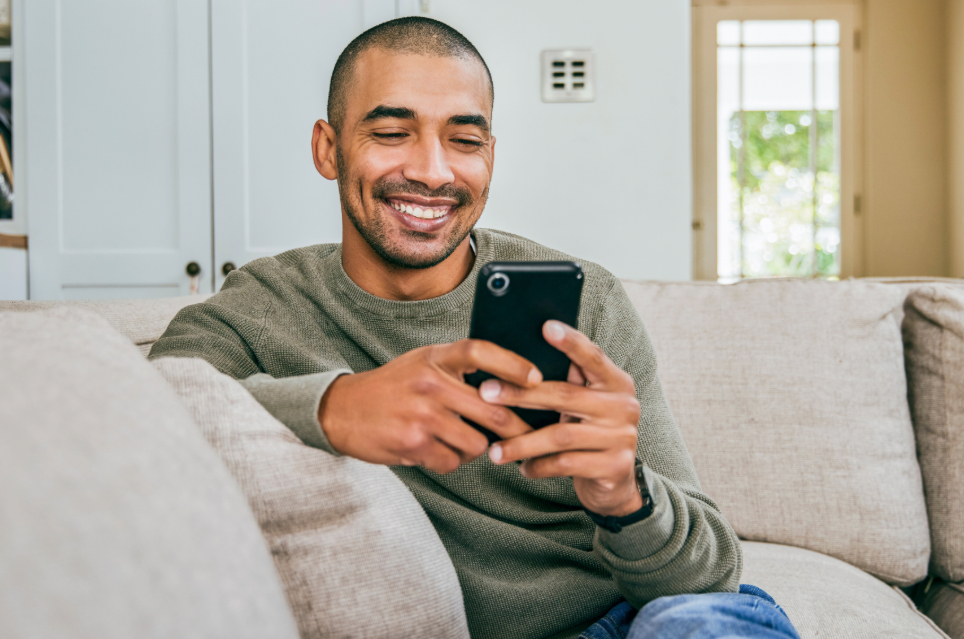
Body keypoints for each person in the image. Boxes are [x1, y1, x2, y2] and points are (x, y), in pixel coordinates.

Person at [149, 17, 800, 639]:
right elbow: (138, 409)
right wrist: (335, 406)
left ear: (490, 153)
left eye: (465, 140)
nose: (434, 172)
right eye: (392, 132)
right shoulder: (263, 306)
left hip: (630, 620)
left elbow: (711, 577)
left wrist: (624, 493)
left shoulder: (588, 300)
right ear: (328, 148)